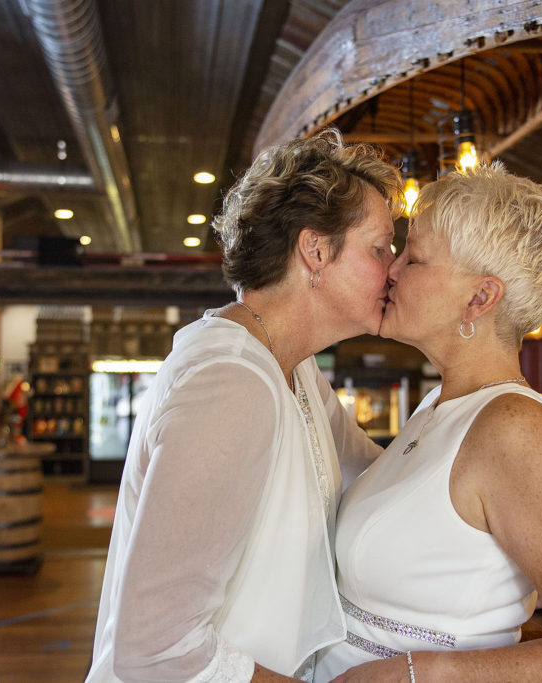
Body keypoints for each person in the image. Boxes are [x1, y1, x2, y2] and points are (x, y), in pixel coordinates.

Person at [86, 128, 404, 682]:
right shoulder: (231, 383)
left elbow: (377, 476)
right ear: (316, 250)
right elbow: (155, 651)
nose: (394, 269)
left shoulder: (294, 366)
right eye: (380, 248)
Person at [316, 163, 542, 682]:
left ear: (480, 298)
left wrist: (414, 673)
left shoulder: (517, 430)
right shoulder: (438, 407)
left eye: (415, 258)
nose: (392, 270)